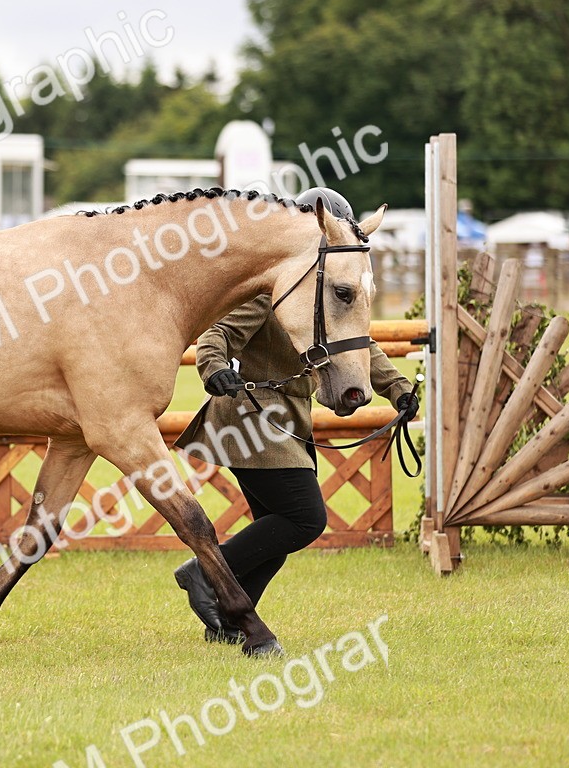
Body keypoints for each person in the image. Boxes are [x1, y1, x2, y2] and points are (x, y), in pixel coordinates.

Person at [172, 187, 419, 645]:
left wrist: (398, 388)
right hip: (250, 419)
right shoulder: (273, 288)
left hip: (283, 423)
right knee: (305, 520)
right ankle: (204, 573)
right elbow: (217, 336)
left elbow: (357, 344)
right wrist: (214, 369)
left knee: (279, 534)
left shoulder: (320, 290)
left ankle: (227, 622)